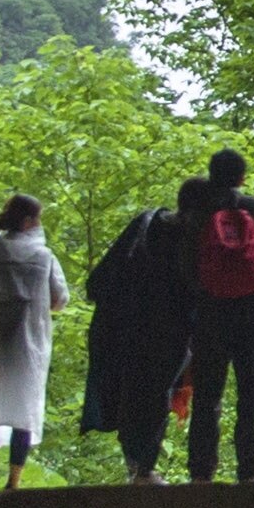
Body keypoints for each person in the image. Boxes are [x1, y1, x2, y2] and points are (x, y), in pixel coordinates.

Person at [80, 185, 198, 484]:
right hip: (166, 334)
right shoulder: (190, 239)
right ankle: (143, 468)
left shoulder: (145, 225)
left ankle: (137, 465)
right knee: (154, 398)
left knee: (131, 396)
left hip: (118, 327)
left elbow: (98, 283)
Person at [181, 150, 254, 484]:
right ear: (241, 177)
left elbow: (185, 261)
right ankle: (250, 469)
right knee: (253, 391)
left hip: (209, 311)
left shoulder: (197, 211)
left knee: (208, 392)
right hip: (253, 310)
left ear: (211, 174)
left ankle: (201, 469)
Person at [0, 197, 68, 487]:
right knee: (26, 409)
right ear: (28, 221)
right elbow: (60, 299)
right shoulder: (43, 257)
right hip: (31, 345)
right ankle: (14, 481)